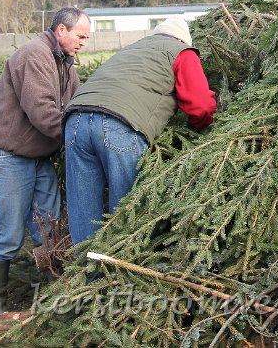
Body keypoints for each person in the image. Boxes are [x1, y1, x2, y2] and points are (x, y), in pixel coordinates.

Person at [63, 15, 216, 245]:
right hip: (120, 124)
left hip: (75, 120)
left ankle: (84, 274)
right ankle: (119, 271)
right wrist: (198, 127)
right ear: (183, 39)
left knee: (83, 208)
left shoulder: (132, 49)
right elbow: (201, 105)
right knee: (127, 211)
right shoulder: (182, 52)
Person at [0, 7, 91, 315]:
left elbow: (76, 102)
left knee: (50, 228)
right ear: (61, 31)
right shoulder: (34, 56)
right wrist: (78, 142)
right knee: (9, 233)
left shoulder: (65, 62)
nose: (84, 43)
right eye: (80, 36)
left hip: (38, 157)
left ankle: (58, 299)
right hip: (8, 156)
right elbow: (44, 113)